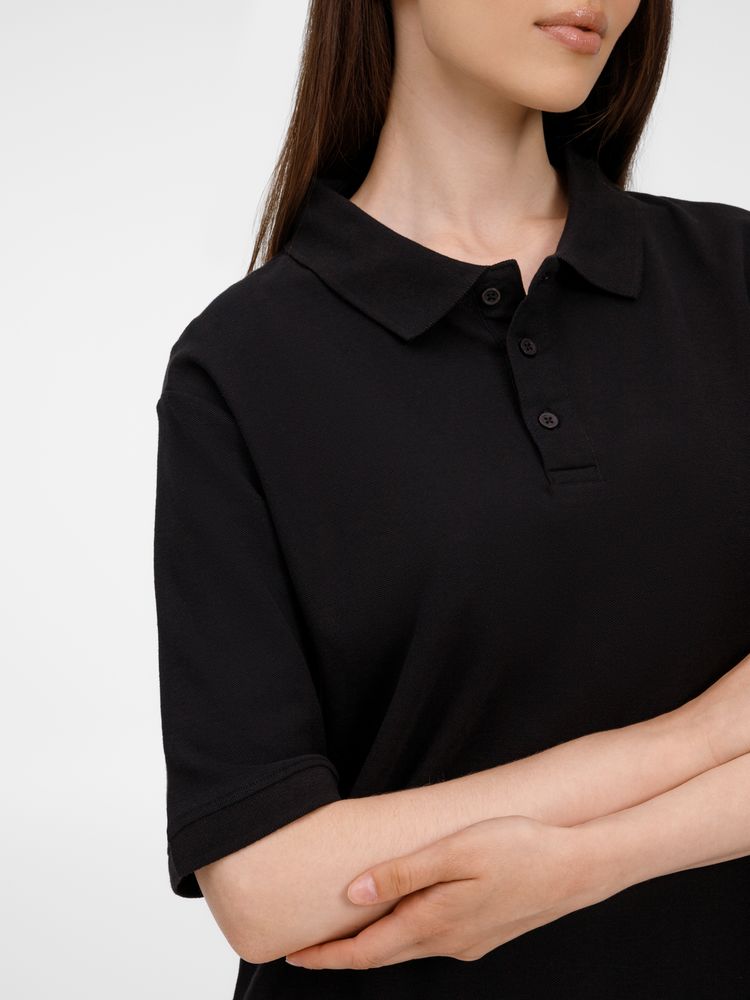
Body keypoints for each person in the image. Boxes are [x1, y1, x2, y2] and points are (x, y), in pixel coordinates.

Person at [152, 1, 750, 997]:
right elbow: (265, 886)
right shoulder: (242, 366)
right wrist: (704, 734)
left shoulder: (734, 280)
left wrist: (587, 863)